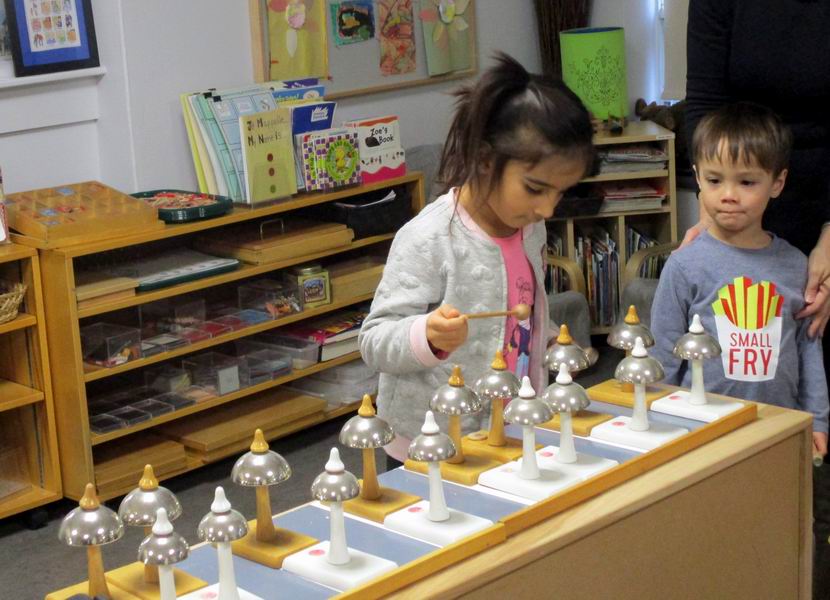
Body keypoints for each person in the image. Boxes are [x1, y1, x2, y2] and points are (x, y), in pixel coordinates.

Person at [358, 53, 596, 465]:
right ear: (485, 161)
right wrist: (426, 336)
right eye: (536, 188)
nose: (548, 209)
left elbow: (522, 319)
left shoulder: (530, 227)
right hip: (428, 439)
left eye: (561, 192)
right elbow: (374, 341)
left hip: (510, 424)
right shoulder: (429, 237)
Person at [651, 102, 830, 597]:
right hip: (704, 431)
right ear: (697, 178)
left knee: (779, 535)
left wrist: (818, 420)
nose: (728, 196)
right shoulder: (684, 266)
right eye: (714, 180)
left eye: (747, 182)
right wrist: (657, 424)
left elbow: (809, 349)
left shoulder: (796, 264)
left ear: (778, 182)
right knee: (711, 536)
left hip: (780, 431)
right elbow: (665, 354)